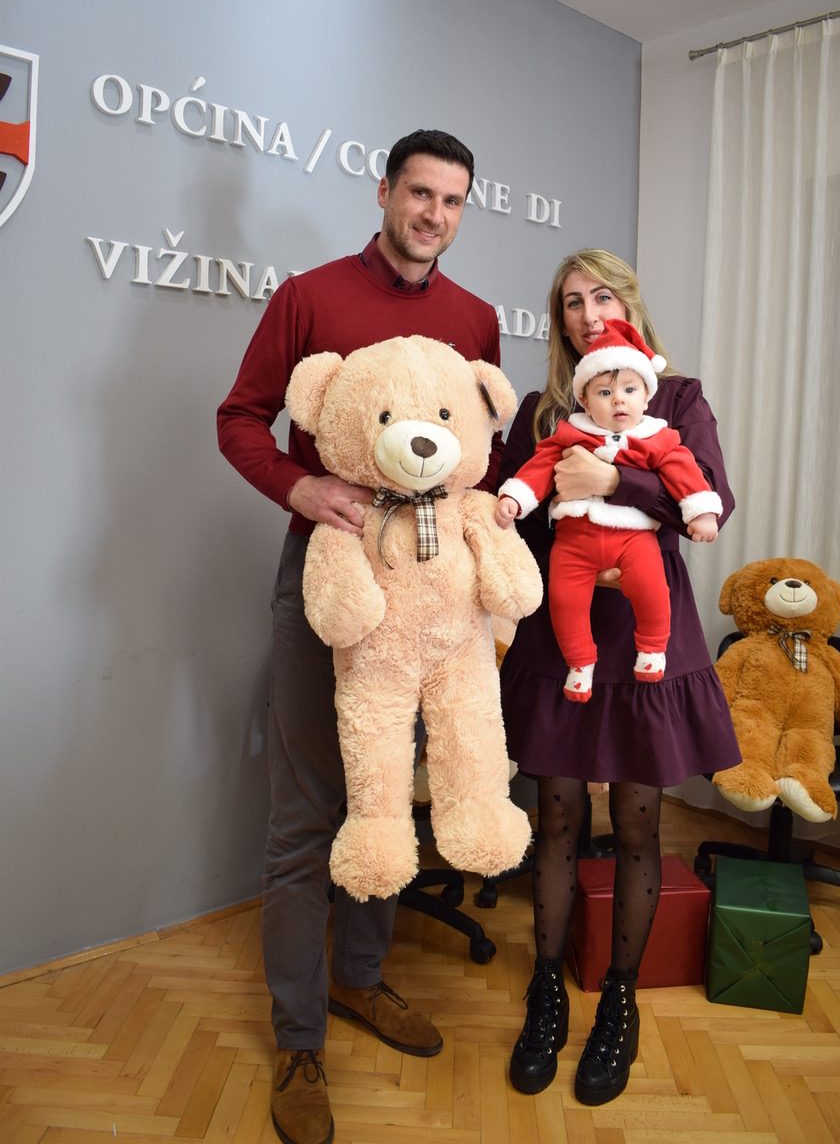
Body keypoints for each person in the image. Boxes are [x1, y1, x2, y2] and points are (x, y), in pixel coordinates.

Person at [217, 130, 503, 1144]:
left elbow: (476, 449)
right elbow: (241, 418)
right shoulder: (310, 296)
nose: (434, 215)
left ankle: (361, 977)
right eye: (419, 193)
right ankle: (298, 1039)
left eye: (452, 200)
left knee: (386, 789)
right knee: (307, 809)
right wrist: (300, 486)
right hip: (328, 577)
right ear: (384, 191)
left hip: (427, 599)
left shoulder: (475, 318)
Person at [499, 249, 740, 1106]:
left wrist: (617, 480)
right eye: (571, 301)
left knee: (638, 823)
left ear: (630, 303)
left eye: (603, 294)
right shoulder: (543, 411)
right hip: (562, 636)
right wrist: (567, 543)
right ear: (559, 322)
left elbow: (710, 499)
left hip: (648, 638)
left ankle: (621, 1000)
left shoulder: (677, 398)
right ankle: (547, 991)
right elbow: (512, 515)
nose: (588, 311)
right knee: (557, 818)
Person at [495, 318, 722, 700]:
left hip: (632, 539)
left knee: (653, 589)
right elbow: (538, 468)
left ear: (646, 398)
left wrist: (700, 511)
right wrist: (515, 498)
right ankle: (579, 662)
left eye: (629, 390)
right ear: (585, 400)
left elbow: (683, 471)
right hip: (574, 540)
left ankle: (652, 648)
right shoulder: (570, 433)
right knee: (565, 601)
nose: (618, 399)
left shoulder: (656, 436)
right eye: (604, 392)